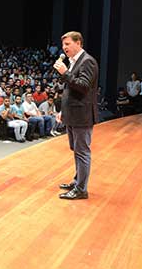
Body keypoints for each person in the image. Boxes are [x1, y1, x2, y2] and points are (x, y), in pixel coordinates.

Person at [53, 31, 98, 200]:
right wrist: (62, 111)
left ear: (78, 43)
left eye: (68, 44)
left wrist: (65, 73)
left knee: (82, 152)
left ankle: (81, 190)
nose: (64, 48)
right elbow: (70, 90)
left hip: (82, 115)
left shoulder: (88, 61)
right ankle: (78, 180)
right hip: (72, 114)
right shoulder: (74, 62)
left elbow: (83, 86)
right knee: (76, 150)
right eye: (63, 45)